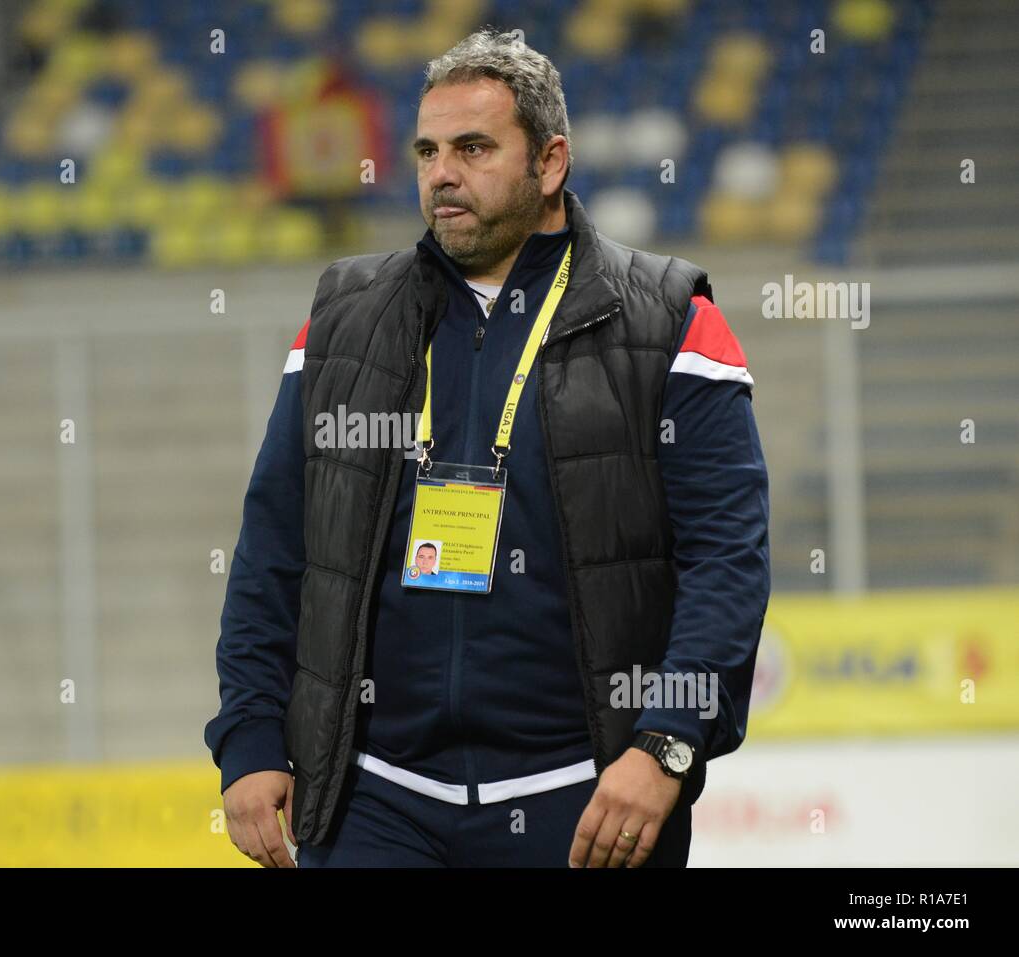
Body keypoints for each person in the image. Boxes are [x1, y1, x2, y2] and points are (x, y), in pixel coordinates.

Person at [205, 27, 770, 868]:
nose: (442, 173)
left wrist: (667, 747)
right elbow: (274, 547)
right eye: (428, 150)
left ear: (550, 163)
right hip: (372, 800)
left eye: (474, 147)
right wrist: (249, 736)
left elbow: (727, 560)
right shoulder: (338, 322)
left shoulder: (672, 320)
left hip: (584, 801)